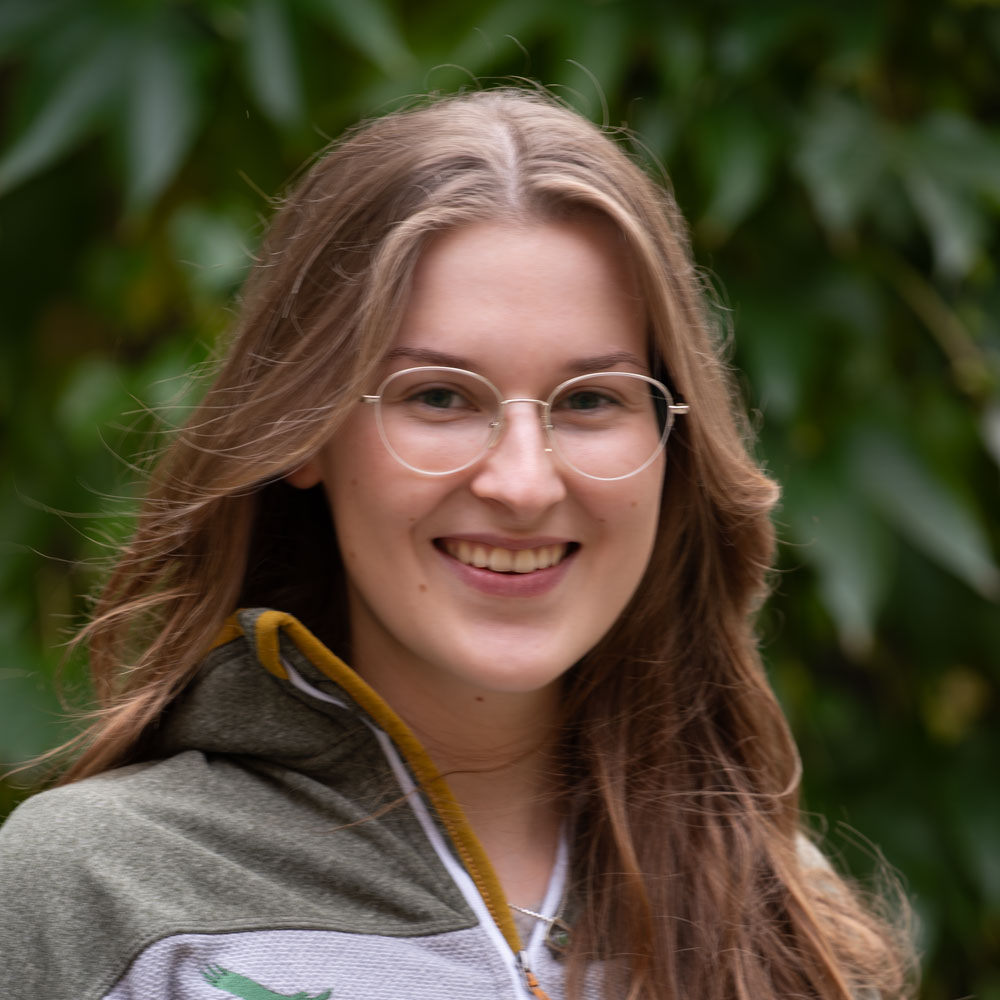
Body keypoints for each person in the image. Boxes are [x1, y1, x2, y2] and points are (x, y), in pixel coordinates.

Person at [0, 88, 913, 1000]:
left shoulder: (787, 918)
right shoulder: (96, 889)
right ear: (308, 432)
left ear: (670, 445)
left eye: (591, 400)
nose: (523, 483)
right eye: (439, 397)